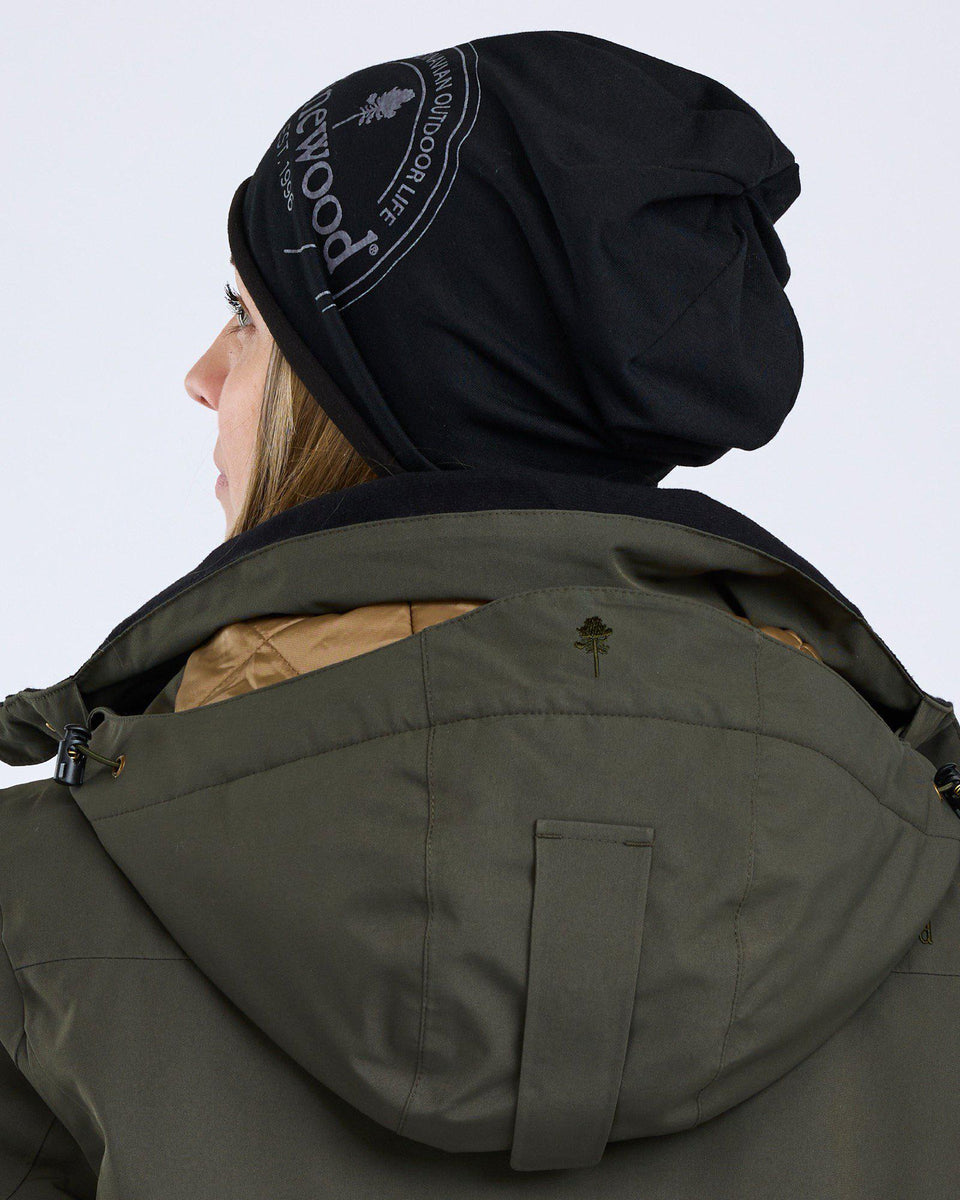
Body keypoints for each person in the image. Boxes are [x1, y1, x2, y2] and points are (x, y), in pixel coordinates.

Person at [1, 29, 958, 1199]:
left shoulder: (43, 900)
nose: (202, 373)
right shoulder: (921, 876)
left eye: (246, 315)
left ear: (371, 391)